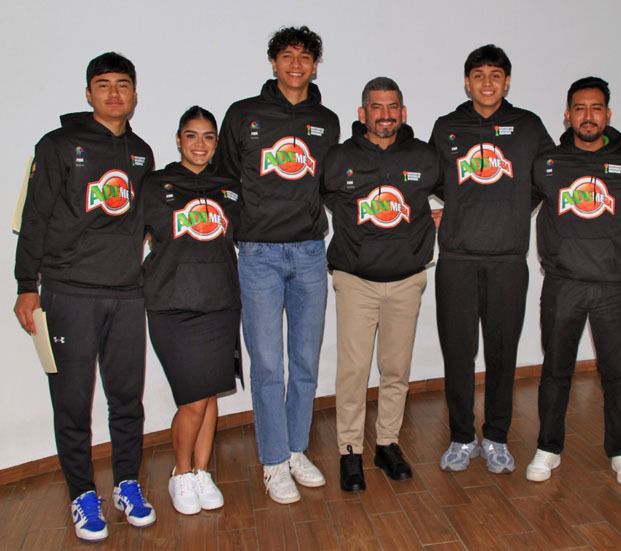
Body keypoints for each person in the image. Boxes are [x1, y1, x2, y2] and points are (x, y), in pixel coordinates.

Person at [13, 52, 156, 541]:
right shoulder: (57, 145)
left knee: (127, 400)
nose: (114, 93)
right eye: (104, 84)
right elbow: (34, 217)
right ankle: (81, 493)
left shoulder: (141, 153)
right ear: (88, 93)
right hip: (69, 292)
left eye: (123, 84)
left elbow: (146, 219)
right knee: (72, 403)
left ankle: (127, 483)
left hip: (127, 294)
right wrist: (26, 286)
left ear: (135, 94)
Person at [216, 26, 339, 504]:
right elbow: (225, 183)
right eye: (287, 55)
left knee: (305, 361)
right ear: (273, 63)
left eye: (305, 57)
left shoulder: (326, 122)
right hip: (259, 256)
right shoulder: (243, 115)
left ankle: (295, 449)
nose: (295, 64)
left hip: (309, 252)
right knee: (267, 363)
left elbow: (335, 186)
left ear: (315, 65)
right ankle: (272, 460)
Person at [526, 77, 621, 487]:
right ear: (567, 115)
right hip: (563, 285)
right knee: (555, 370)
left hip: (615, 287)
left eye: (596, 108)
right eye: (580, 108)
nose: (588, 116)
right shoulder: (547, 163)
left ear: (608, 114)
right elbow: (511, 205)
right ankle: (548, 447)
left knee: (618, 373)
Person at [429, 45, 553, 474]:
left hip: (507, 259)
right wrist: (461, 206)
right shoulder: (447, 127)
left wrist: (517, 205)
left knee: (503, 353)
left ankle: (497, 436)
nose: (487, 83)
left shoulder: (528, 126)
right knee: (458, 353)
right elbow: (435, 178)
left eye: (495, 75)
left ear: (507, 81)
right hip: (457, 258)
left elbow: (555, 172)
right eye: (479, 75)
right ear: (467, 82)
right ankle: (462, 437)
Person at [322, 77, 440, 491]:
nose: (385, 115)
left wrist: (436, 221)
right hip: (355, 281)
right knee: (353, 371)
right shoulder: (338, 158)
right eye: (377, 107)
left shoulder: (425, 156)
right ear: (363, 113)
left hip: (406, 281)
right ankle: (350, 449)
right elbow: (316, 197)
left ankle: (387, 443)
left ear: (403, 112)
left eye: (392, 107)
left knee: (396, 369)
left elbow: (462, 195)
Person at [143, 106, 241, 514]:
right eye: (191, 135)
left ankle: (202, 471)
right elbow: (125, 236)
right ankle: (180, 472)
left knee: (209, 392)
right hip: (173, 306)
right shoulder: (154, 185)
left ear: (216, 143)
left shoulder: (230, 187)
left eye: (208, 136)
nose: (200, 144)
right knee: (193, 400)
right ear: (178, 140)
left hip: (220, 304)